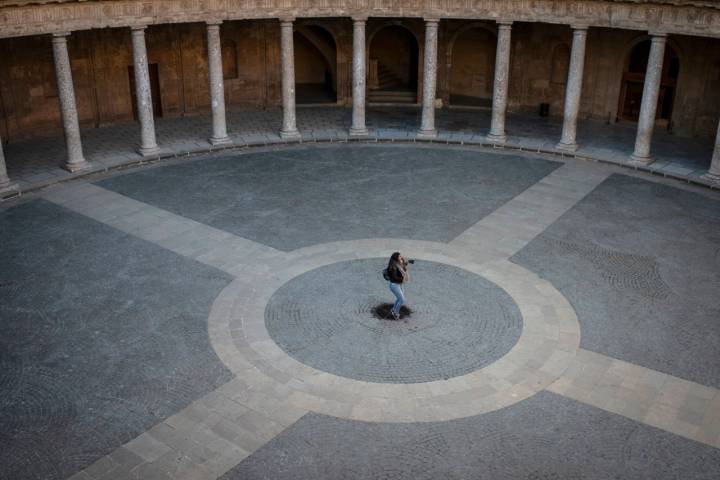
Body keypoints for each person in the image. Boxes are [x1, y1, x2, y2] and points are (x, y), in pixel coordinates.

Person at [386, 252, 409, 320]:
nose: (401, 257)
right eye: (399, 257)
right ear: (396, 258)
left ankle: (393, 310)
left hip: (398, 284)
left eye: (401, 256)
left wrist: (406, 262)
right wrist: (402, 278)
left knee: (399, 298)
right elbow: (395, 277)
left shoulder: (398, 264)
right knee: (402, 300)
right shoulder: (393, 267)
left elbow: (404, 266)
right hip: (394, 285)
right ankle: (396, 313)